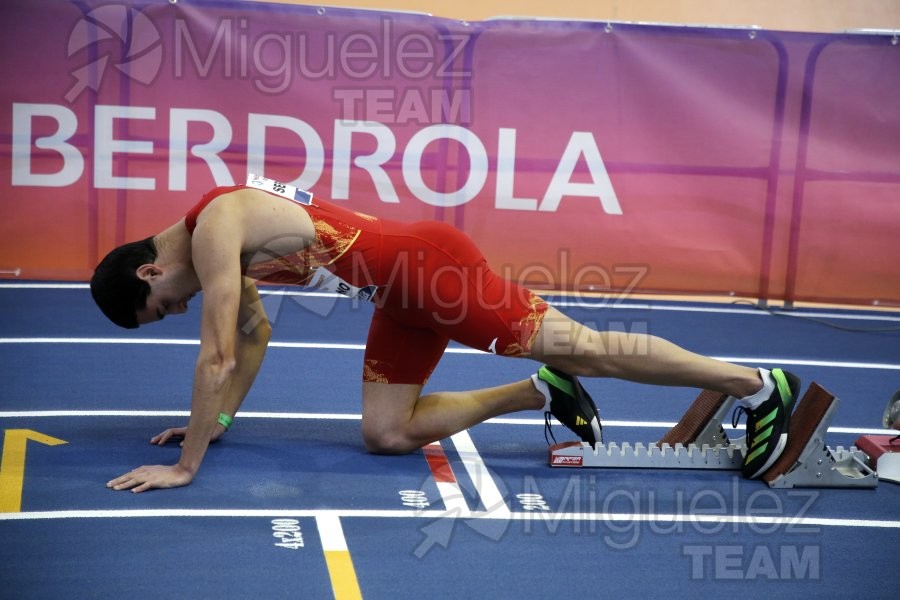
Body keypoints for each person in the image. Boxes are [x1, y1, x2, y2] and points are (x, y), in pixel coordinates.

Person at [91, 182, 800, 493]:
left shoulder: (216, 228)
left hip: (431, 273)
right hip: (398, 297)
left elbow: (216, 352)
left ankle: (758, 384)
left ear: (151, 271)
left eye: (161, 308)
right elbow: (252, 338)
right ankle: (537, 391)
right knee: (387, 433)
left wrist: (185, 466)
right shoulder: (215, 235)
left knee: (588, 346)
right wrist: (212, 425)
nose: (176, 310)